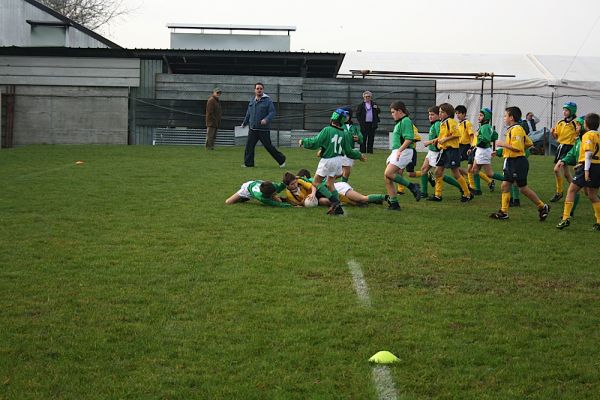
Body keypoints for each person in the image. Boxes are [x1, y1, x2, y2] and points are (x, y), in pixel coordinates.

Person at [299, 108, 366, 215]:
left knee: (316, 182)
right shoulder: (344, 133)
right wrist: (359, 155)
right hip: (338, 161)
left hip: (328, 160)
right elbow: (348, 151)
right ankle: (338, 208)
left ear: (332, 118)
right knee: (330, 184)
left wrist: (303, 141)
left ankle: (335, 202)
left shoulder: (327, 130)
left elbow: (315, 142)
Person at [489, 106, 550, 221]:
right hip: (512, 161)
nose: (504, 118)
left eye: (505, 116)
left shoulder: (516, 129)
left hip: (517, 162)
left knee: (522, 188)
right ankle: (503, 212)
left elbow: (516, 148)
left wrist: (502, 144)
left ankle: (542, 206)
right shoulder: (513, 129)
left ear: (511, 118)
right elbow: (528, 143)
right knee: (505, 185)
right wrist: (500, 151)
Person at [556, 113, 600, 230]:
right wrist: (581, 163)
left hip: (588, 167)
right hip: (597, 167)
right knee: (592, 195)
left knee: (571, 190)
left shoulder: (587, 135)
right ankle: (599, 221)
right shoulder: (598, 135)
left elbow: (589, 153)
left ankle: (565, 218)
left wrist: (585, 169)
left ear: (586, 124)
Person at [428, 103, 472, 202]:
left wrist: (445, 140)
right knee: (438, 172)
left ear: (448, 113)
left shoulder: (451, 122)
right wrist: (431, 142)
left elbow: (457, 134)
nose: (440, 114)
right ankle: (437, 195)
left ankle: (467, 193)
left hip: (452, 151)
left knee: (456, 173)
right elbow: (441, 137)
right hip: (444, 151)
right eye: (439, 112)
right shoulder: (442, 123)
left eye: (442, 112)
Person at [384, 100, 421, 211]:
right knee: (387, 177)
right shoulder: (400, 122)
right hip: (397, 151)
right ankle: (394, 204)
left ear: (400, 111)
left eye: (393, 112)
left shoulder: (405, 121)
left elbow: (409, 139)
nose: (392, 115)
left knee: (388, 173)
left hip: (404, 151)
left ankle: (412, 186)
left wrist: (400, 150)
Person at [241, 82, 286, 168]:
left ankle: (281, 160)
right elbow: (248, 113)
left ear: (263, 90)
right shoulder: (252, 101)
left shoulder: (268, 100)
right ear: (255, 90)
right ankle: (248, 164)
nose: (259, 90)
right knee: (249, 146)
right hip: (253, 129)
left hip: (263, 130)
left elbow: (272, 112)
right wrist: (244, 123)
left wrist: (266, 119)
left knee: (268, 146)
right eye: (257, 88)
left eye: (261, 89)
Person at [469, 107, 504, 195]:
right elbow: (495, 136)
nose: (478, 117)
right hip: (481, 150)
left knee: (489, 174)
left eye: (481, 115)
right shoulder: (487, 127)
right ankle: (477, 190)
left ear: (486, 117)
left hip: (483, 151)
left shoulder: (485, 127)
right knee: (475, 169)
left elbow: (486, 138)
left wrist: (478, 135)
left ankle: (508, 179)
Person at [549, 102, 578, 202]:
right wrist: (553, 133)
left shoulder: (576, 122)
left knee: (556, 169)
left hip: (570, 148)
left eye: (567, 110)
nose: (564, 112)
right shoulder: (560, 122)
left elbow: (580, 136)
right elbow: (557, 137)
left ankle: (559, 192)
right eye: (564, 110)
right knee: (566, 174)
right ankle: (574, 191)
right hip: (561, 148)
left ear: (572, 111)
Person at [225, 180, 291, 207]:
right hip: (247, 188)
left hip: (258, 183)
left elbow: (284, 183)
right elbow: (274, 204)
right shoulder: (261, 197)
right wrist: (290, 206)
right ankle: (244, 198)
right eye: (274, 193)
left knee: (279, 200)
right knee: (228, 202)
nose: (276, 193)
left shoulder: (274, 186)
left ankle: (282, 199)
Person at [340, 107, 363, 182]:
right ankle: (342, 186)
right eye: (344, 115)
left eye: (347, 115)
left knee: (346, 172)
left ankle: (342, 185)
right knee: (343, 171)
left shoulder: (354, 128)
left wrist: (358, 138)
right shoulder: (339, 126)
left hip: (350, 151)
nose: (345, 117)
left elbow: (361, 139)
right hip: (340, 151)